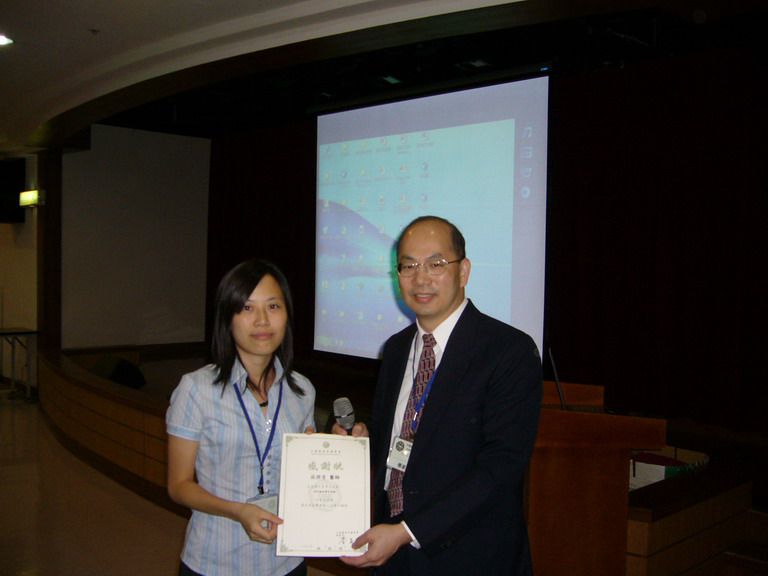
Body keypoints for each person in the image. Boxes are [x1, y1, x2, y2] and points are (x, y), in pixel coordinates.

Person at [337, 216, 542, 575]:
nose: (421, 278)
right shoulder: (396, 348)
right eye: (409, 266)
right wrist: (362, 444)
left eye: (436, 264)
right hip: (391, 550)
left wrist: (407, 532)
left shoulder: (509, 351)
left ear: (464, 271)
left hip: (469, 556)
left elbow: (500, 468)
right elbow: (401, 441)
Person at [166, 259, 316, 576]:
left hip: (286, 560)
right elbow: (179, 486)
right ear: (228, 318)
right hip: (215, 560)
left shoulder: (302, 391)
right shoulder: (196, 390)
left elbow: (306, 473)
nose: (262, 320)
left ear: (287, 315)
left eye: (273, 306)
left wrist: (339, 450)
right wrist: (238, 511)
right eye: (247, 308)